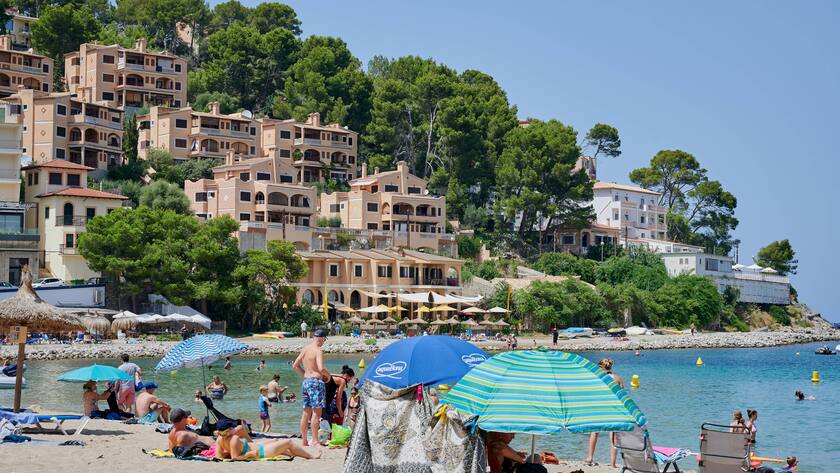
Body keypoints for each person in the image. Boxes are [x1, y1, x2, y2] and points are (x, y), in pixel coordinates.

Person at [214, 418, 321, 460]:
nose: (235, 428)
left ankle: (295, 453)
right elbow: (235, 458)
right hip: (260, 452)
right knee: (288, 442)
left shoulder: (219, 439)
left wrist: (228, 452)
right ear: (229, 430)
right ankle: (311, 456)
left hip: (257, 447)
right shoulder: (234, 439)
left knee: (276, 441)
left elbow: (218, 457)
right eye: (233, 427)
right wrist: (249, 454)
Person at [292, 327, 329, 446]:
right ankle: (315, 440)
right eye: (324, 339)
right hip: (316, 383)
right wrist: (328, 376)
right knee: (316, 413)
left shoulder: (306, 349)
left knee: (305, 412)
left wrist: (305, 374)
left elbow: (295, 365)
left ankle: (304, 440)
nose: (323, 342)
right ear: (322, 338)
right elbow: (321, 368)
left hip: (306, 382)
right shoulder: (318, 350)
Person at [585, 358, 624, 467]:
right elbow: (623, 396)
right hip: (614, 409)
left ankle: (590, 458)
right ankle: (613, 463)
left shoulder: (598, 378)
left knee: (594, 432)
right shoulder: (618, 379)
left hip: (600, 408)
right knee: (613, 435)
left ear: (600, 367)